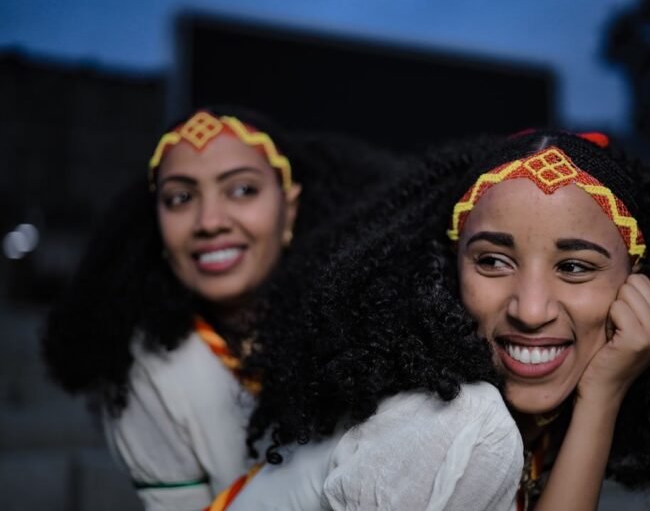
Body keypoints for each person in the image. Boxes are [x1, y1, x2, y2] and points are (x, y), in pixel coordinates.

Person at [230, 130, 650, 510]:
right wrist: (602, 397)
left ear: (638, 283)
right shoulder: (455, 424)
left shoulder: (525, 424)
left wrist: (602, 393)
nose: (530, 310)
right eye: (492, 260)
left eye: (575, 267)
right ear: (447, 268)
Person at [41, 105, 406, 510]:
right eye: (180, 198)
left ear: (291, 209)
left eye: (242, 190)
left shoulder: (367, 328)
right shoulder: (144, 375)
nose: (210, 221)